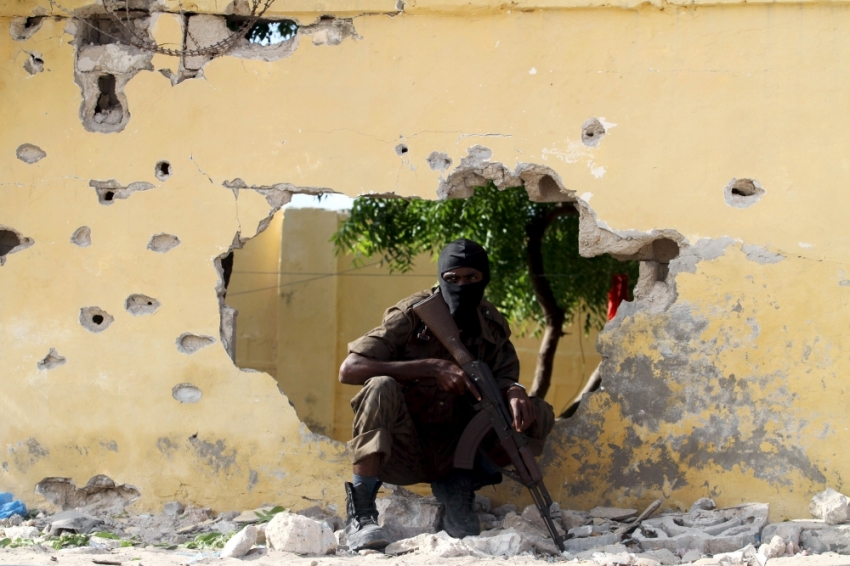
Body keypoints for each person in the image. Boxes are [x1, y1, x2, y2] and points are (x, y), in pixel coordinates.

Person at [337, 238, 556, 551]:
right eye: (452, 279)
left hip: (459, 456)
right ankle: (362, 514)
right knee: (380, 386)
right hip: (403, 451)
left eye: (472, 278)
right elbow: (350, 369)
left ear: (485, 279)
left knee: (537, 412)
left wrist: (515, 390)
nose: (462, 286)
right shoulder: (412, 315)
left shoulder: (490, 324)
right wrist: (429, 367)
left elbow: (505, 375)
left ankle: (459, 489)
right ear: (441, 279)